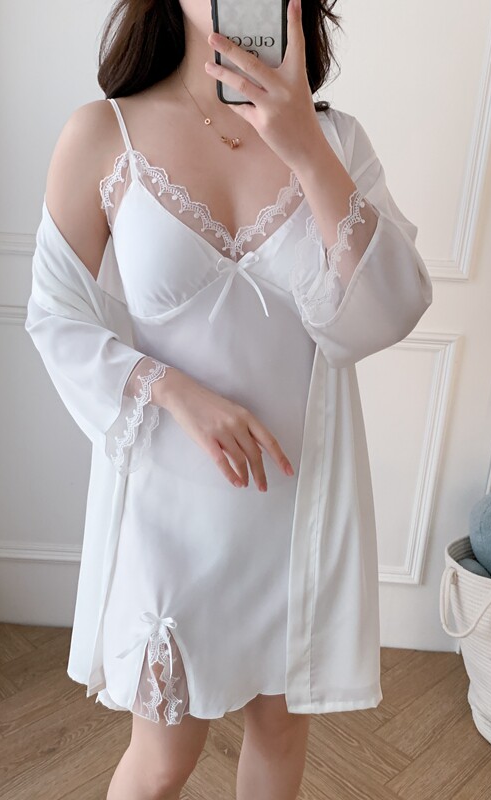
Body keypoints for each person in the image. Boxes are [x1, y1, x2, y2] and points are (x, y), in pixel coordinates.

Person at [25, 0, 433, 796]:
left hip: (297, 505)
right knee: (162, 757)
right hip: (171, 507)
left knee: (279, 734)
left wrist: (306, 147)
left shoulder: (337, 140)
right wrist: (173, 389)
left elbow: (389, 310)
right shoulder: (103, 134)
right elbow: (55, 315)